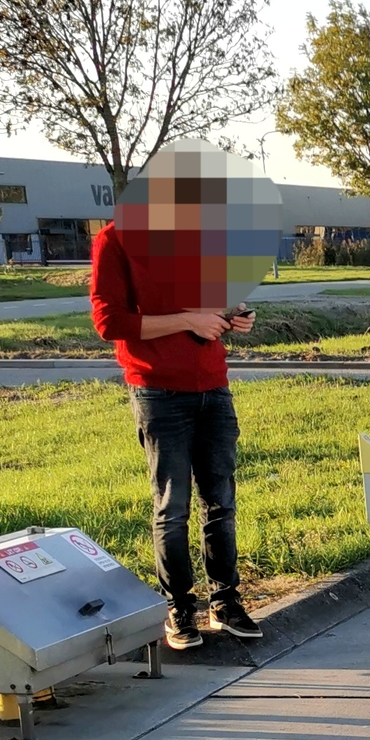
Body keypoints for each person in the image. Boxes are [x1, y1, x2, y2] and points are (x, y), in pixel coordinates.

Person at [88, 197, 259, 649]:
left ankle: (225, 601)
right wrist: (189, 320)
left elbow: (211, 305)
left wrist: (233, 314)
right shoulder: (116, 239)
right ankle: (179, 610)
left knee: (221, 502)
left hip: (214, 388)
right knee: (173, 507)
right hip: (158, 391)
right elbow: (109, 322)